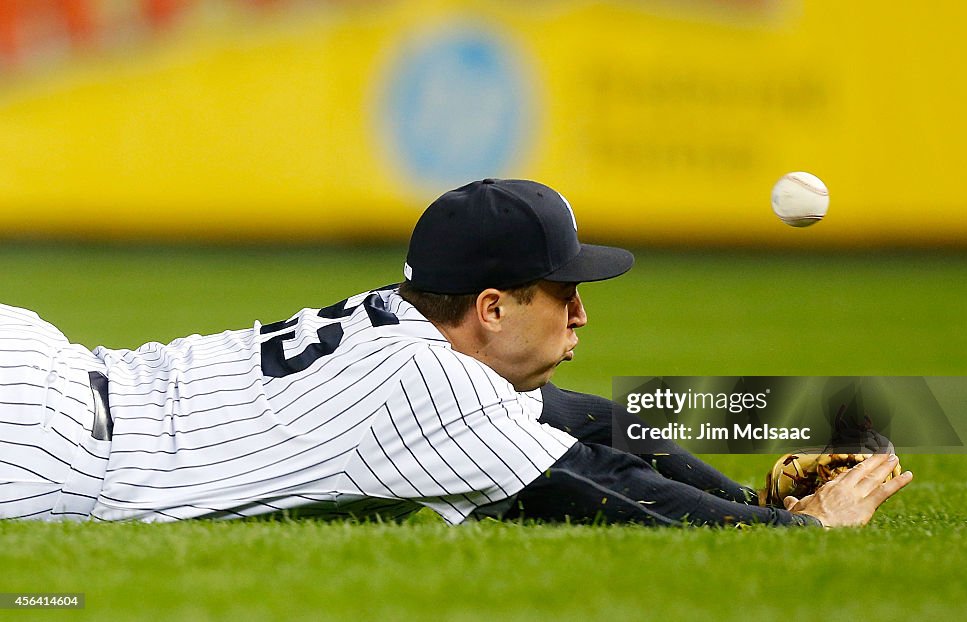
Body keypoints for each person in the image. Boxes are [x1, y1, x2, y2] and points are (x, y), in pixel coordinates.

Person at [0, 178, 912, 527]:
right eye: (565, 293)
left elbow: (579, 426)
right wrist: (797, 534)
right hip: (47, 455)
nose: (581, 318)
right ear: (489, 305)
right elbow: (606, 493)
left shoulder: (397, 326)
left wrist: (744, 490)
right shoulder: (433, 384)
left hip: (47, 366)